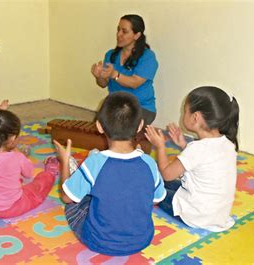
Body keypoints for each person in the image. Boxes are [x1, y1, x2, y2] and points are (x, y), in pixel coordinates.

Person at [53, 92, 166, 256]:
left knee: (74, 203)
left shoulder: (95, 163)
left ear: (99, 126)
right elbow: (156, 198)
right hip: (142, 239)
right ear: (140, 125)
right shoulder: (149, 163)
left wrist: (64, 161)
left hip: (99, 241)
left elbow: (65, 197)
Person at [144, 86, 239, 232]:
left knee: (152, 184)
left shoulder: (197, 149)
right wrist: (183, 144)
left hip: (195, 216)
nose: (183, 113)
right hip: (216, 214)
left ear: (195, 117)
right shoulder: (227, 143)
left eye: (185, 110)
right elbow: (202, 161)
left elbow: (167, 174)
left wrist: (160, 146)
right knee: (166, 183)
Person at [0, 109, 58, 218]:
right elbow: (29, 173)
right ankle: (50, 172)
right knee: (38, 186)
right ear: (13, 138)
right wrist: (19, 153)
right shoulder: (17, 157)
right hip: (12, 208)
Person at [91, 14, 159, 125]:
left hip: (141, 107)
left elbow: (135, 83)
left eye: (124, 31)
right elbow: (103, 84)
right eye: (118, 30)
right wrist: (99, 76)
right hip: (115, 105)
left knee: (119, 131)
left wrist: (114, 74)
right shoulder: (111, 54)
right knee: (98, 129)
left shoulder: (148, 57)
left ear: (137, 35)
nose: (119, 35)